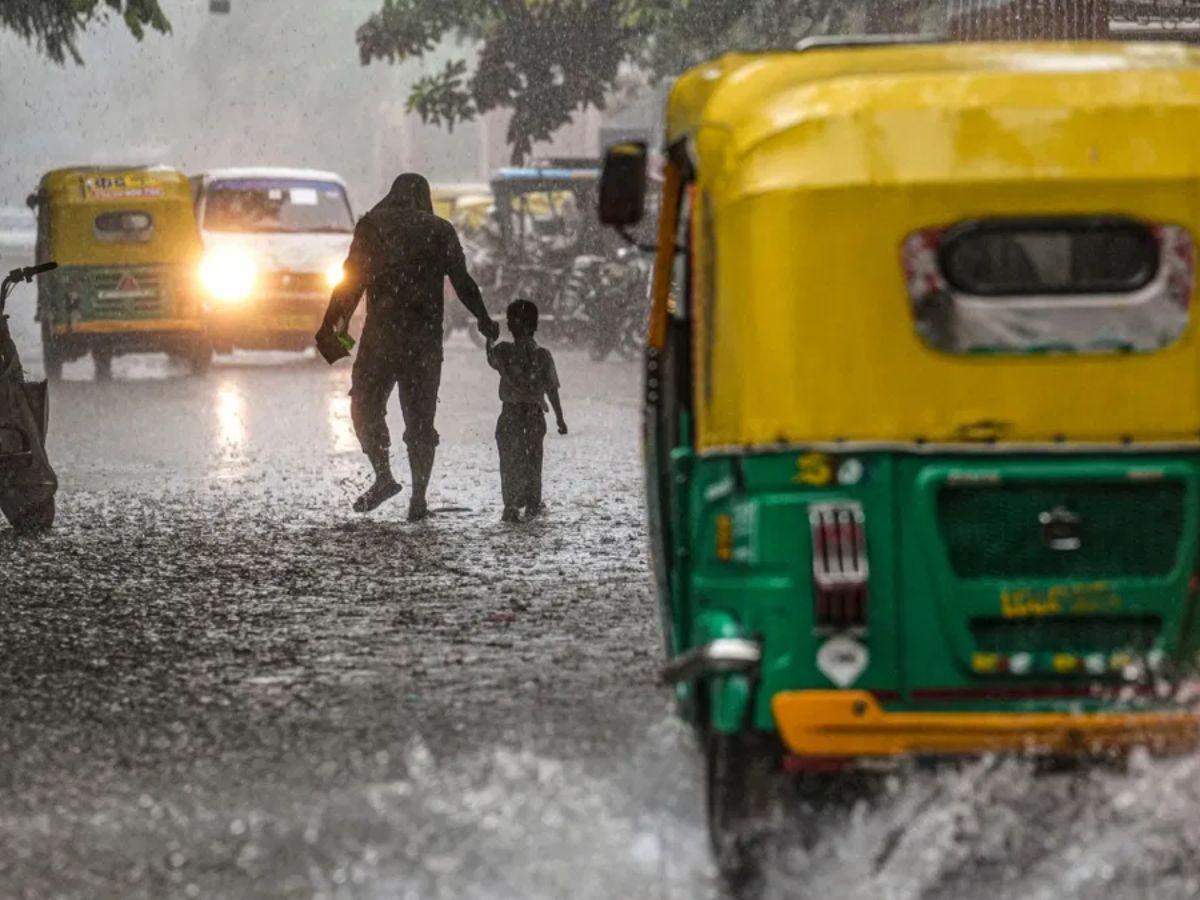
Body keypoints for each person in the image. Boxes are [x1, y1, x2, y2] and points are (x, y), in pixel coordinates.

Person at [319, 173, 500, 520]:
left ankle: (384, 476)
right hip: (424, 342)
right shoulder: (439, 229)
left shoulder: (372, 226)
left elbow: (350, 283)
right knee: (421, 421)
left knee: (365, 404)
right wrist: (483, 318)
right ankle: (418, 498)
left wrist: (332, 328)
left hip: (381, 338)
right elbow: (462, 281)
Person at [485, 299, 567, 523]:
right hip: (533, 416)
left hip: (509, 415)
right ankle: (532, 503)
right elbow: (552, 390)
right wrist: (560, 418)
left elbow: (490, 356)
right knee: (533, 460)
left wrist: (489, 336)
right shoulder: (543, 356)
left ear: (511, 325)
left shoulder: (503, 352)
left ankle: (511, 504)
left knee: (509, 461)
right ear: (535, 325)